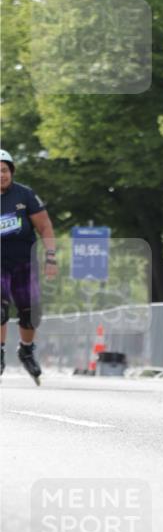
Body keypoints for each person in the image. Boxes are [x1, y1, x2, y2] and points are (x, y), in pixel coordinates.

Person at [0, 149, 57, 381]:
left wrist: (50, 256)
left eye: (4, 170)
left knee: (30, 313)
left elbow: (44, 227)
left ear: (11, 171)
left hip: (24, 263)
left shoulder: (25, 195)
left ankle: (26, 349)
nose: (1, 175)